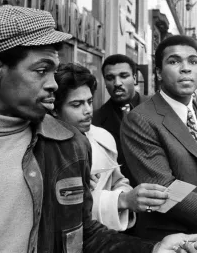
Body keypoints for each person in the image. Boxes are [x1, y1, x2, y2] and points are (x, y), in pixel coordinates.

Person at [0, 5, 197, 253]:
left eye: (55, 71)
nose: (53, 84)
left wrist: (152, 249)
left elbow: (84, 234)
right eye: (41, 70)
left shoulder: (69, 145)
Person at [120, 34, 197, 253]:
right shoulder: (140, 120)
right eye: (174, 61)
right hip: (173, 243)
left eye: (193, 61)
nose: (185, 68)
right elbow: (166, 192)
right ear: (158, 72)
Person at [53, 63, 169, 231]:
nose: (87, 110)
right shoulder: (45, 150)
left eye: (89, 101)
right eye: (76, 104)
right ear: (55, 109)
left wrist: (123, 196)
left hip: (107, 235)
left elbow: (118, 180)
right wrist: (121, 200)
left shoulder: (103, 137)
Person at [92, 54, 147, 181]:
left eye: (123, 76)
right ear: (105, 82)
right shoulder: (95, 120)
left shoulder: (158, 109)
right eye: (110, 78)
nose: (117, 83)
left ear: (134, 78)